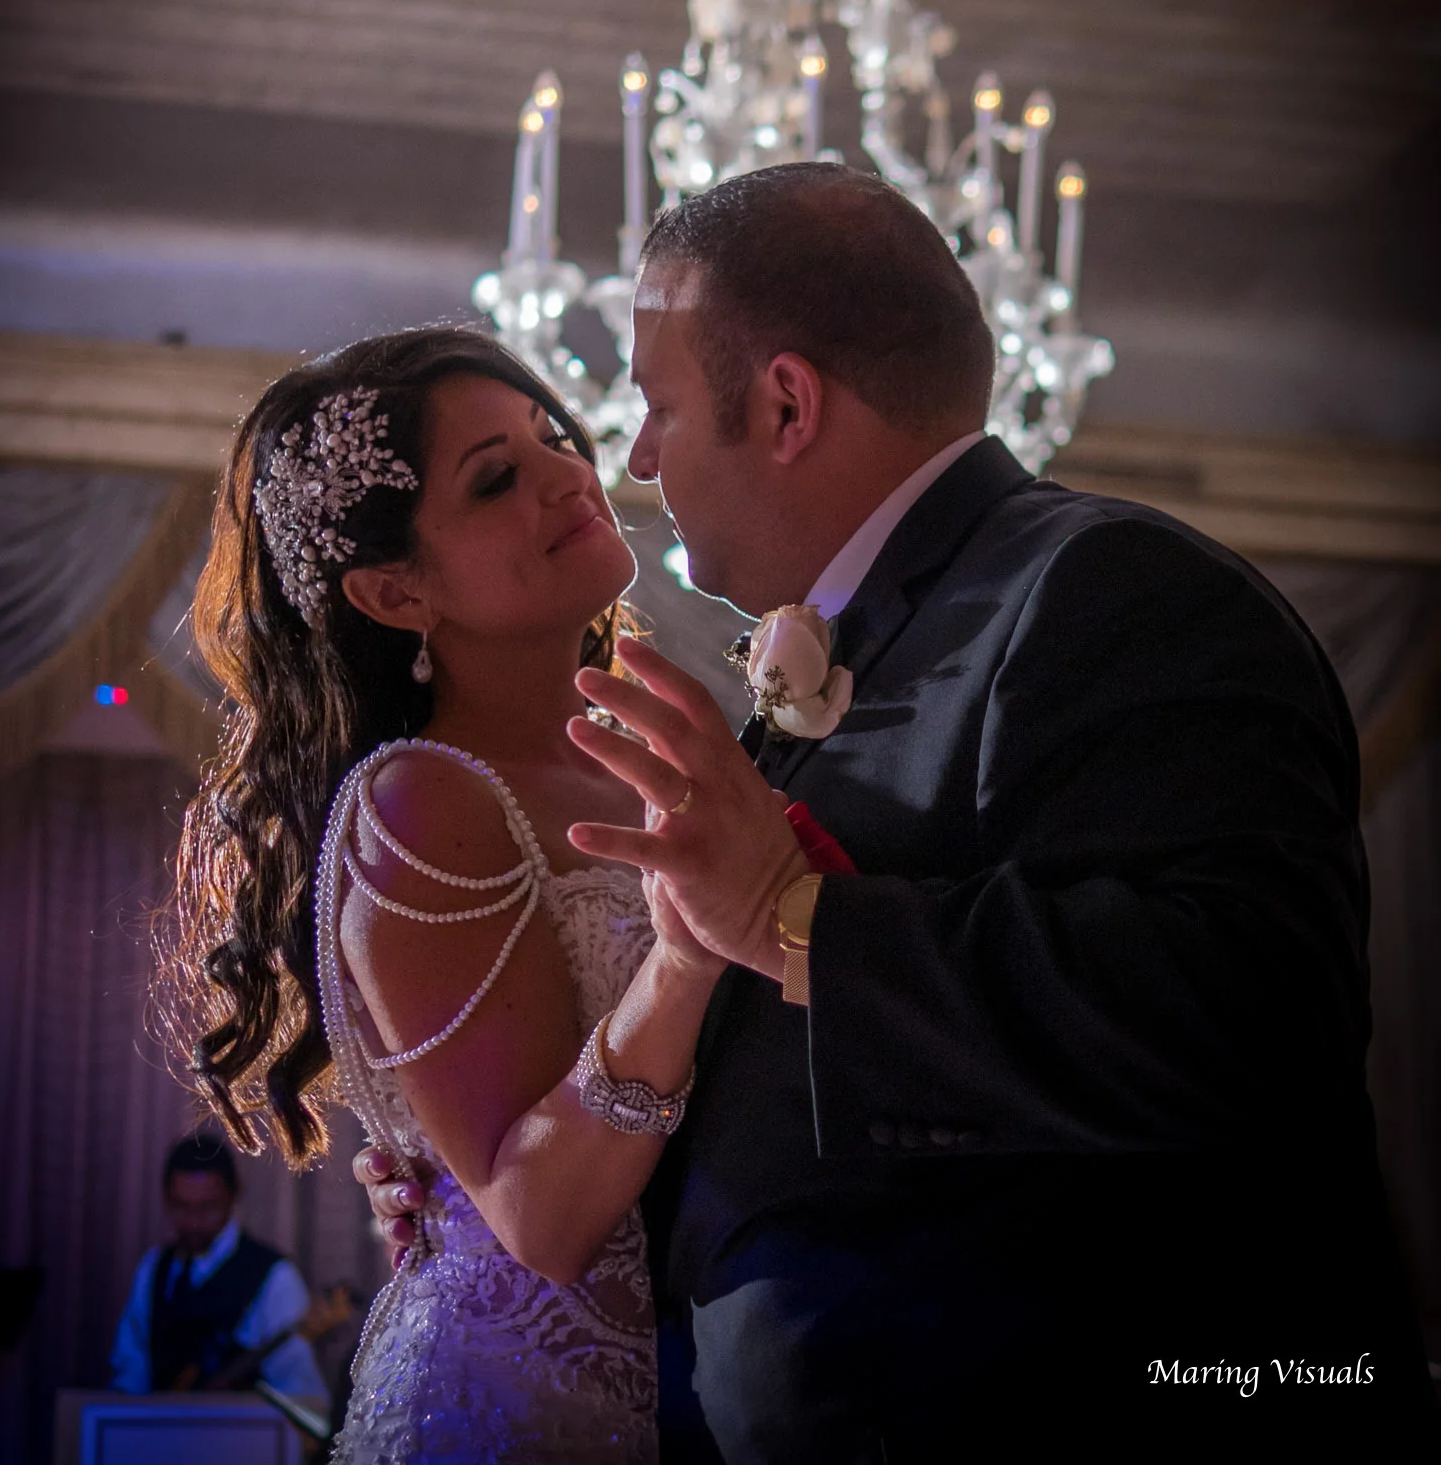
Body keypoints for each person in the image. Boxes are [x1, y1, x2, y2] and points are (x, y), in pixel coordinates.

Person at [363, 163, 1438, 1455]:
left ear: (786, 402)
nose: (633, 458)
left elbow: (1248, 1009)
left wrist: (794, 918)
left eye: (654, 408)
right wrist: (488, 1208)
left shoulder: (1109, 587)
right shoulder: (827, 657)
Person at [167, 327, 764, 1461]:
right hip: (526, 1407)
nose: (567, 474)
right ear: (397, 591)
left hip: (722, 1371)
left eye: (550, 437)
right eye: (497, 478)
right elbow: (540, 1219)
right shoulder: (422, 804)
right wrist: (686, 959)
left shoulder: (657, 742)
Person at [110, 1132, 326, 1402]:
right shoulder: (154, 1268)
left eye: (207, 1208)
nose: (193, 1222)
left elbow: (301, 1397)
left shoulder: (275, 1277)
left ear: (234, 1196)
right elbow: (131, 1372)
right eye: (180, 1207)